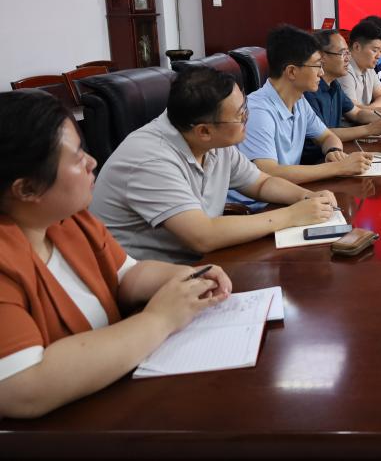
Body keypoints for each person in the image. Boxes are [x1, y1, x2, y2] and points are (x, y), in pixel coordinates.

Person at [0, 91, 231, 418]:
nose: (92, 162)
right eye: (77, 158)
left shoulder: (69, 220)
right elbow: (22, 386)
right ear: (26, 189)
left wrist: (187, 277)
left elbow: (126, 275)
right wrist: (159, 319)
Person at [90, 66, 339, 264]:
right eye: (240, 115)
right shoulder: (150, 159)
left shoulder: (212, 140)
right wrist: (292, 215)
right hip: (147, 283)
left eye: (244, 108)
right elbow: (203, 236)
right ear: (204, 131)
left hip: (200, 265)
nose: (248, 117)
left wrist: (306, 197)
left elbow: (261, 183)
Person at [232, 25, 372, 200]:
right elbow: (269, 172)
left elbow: (327, 136)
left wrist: (333, 151)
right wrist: (339, 167)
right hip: (258, 206)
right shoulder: (258, 111)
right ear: (292, 71)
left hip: (289, 195)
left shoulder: (299, 101)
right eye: (317, 65)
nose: (321, 73)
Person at [302, 30, 381, 161]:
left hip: (334, 154)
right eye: (343, 53)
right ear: (322, 57)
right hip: (316, 160)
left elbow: (357, 113)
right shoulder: (310, 90)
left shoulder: (334, 85)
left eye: (348, 53)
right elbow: (323, 133)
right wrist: (369, 129)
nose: (348, 58)